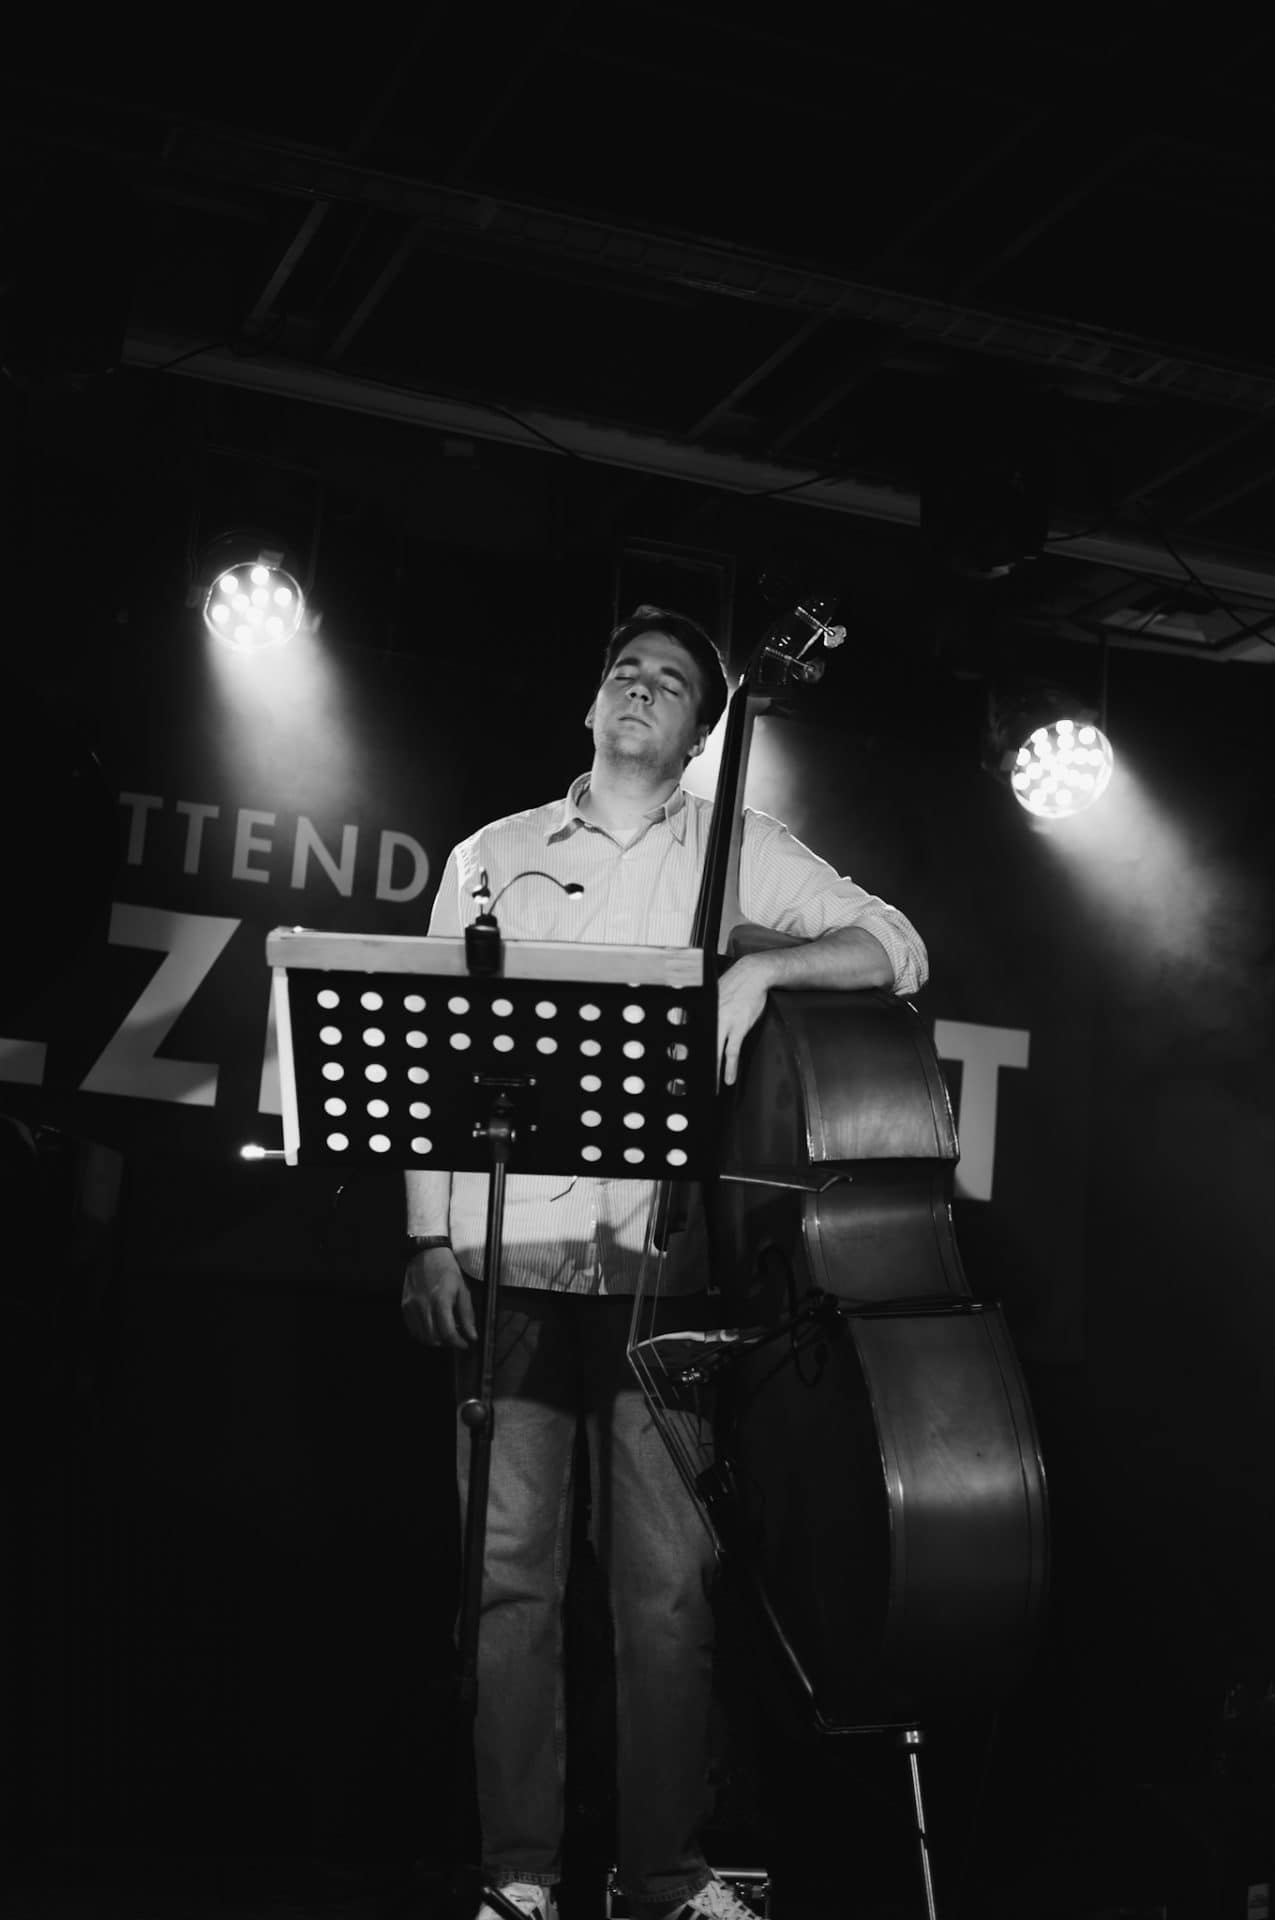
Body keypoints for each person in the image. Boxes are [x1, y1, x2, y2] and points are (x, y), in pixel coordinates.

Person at [402, 606, 928, 1920]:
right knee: (508, 1586)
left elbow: (898, 946)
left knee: (667, 1590)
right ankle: (519, 1878)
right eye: (624, 672)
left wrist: (761, 977)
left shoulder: (737, 847)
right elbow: (428, 1062)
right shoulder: (491, 855)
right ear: (592, 706)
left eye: (674, 683)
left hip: (661, 1268)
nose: (642, 689)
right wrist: (427, 1235)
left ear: (700, 733)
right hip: (508, 1256)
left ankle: (664, 1879)